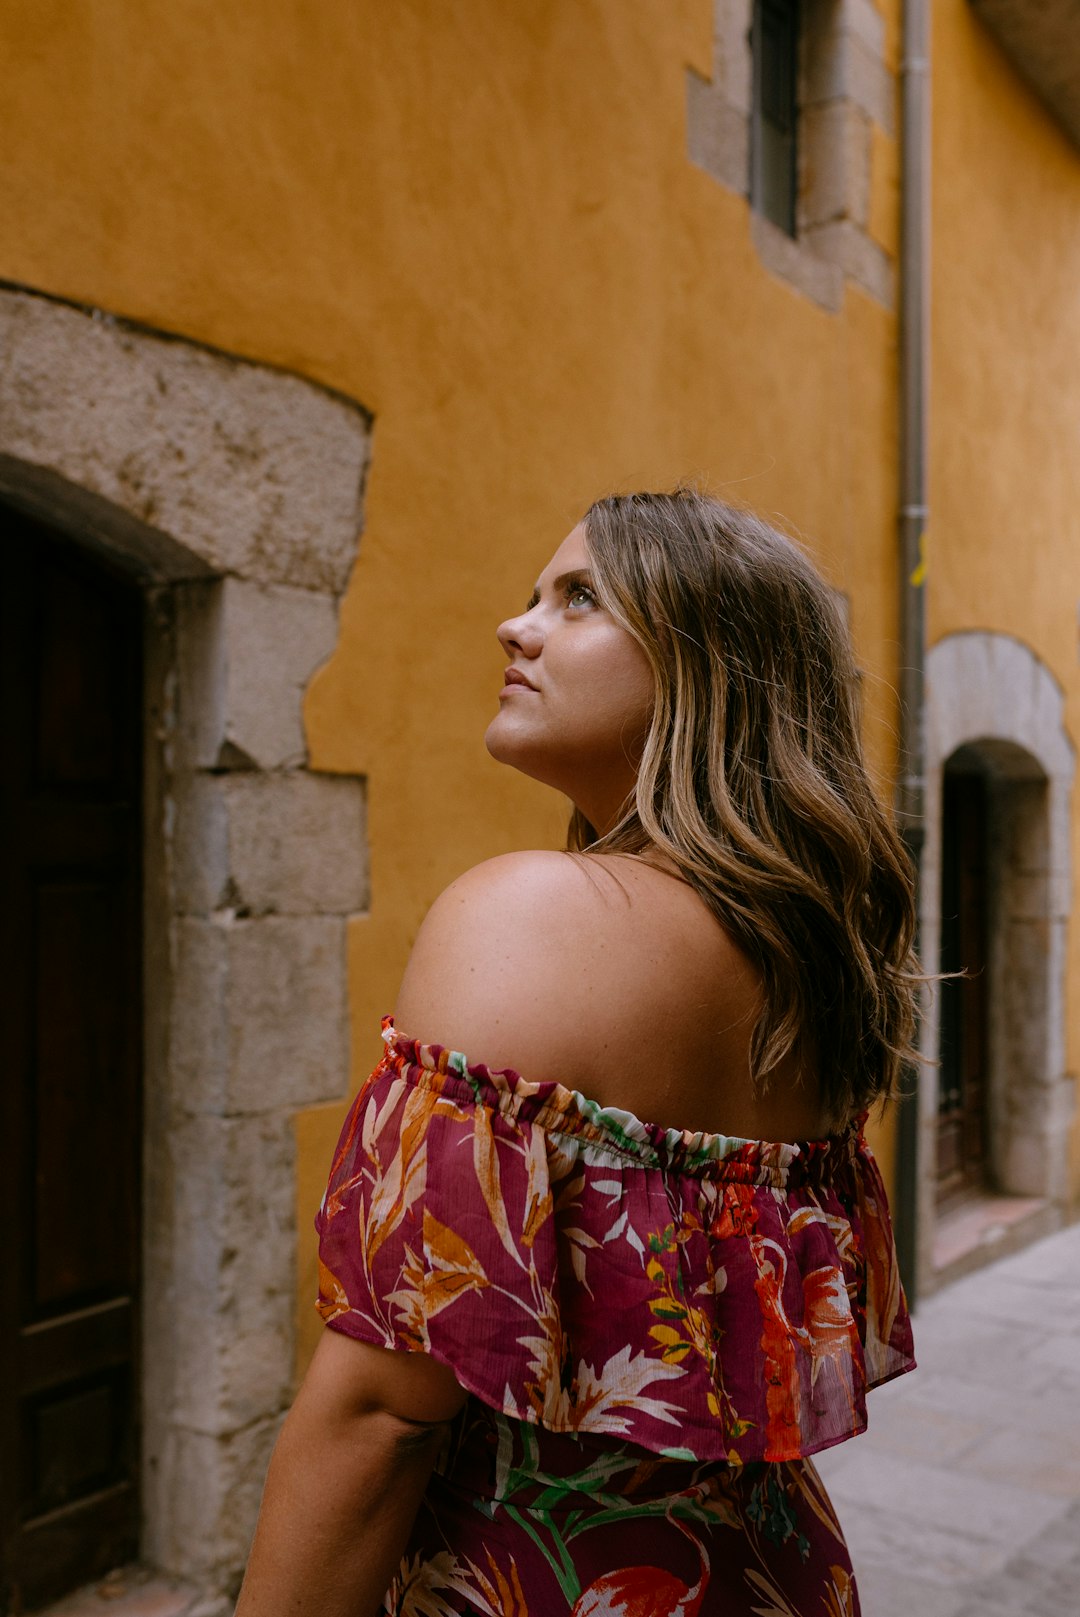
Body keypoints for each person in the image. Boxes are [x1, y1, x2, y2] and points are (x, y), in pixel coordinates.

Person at [235, 489, 918, 1616]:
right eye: (532, 596)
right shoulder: (810, 970)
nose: (517, 626)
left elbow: (383, 1411)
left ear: (714, 670)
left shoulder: (531, 914)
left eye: (581, 597)